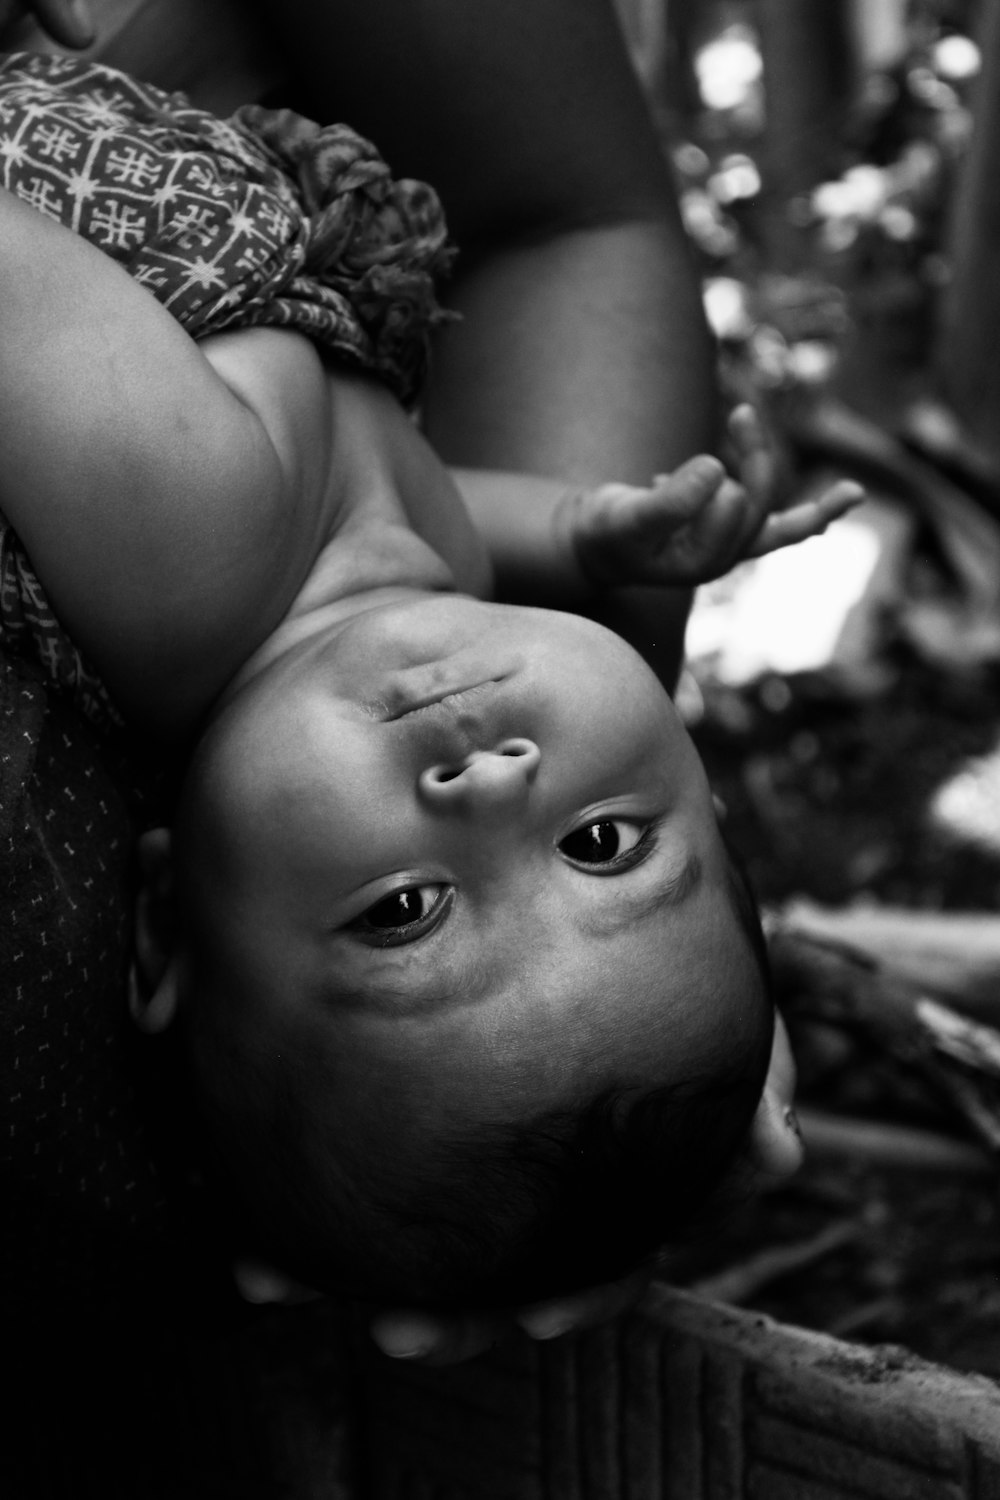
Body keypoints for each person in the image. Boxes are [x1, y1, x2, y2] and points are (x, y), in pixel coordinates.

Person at [0, 46, 849, 1319]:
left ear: (170, 920)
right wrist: (573, 529)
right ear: (711, 809)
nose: (494, 784)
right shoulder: (396, 579)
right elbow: (394, 494)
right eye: (604, 840)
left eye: (402, 911)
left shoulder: (180, 545)